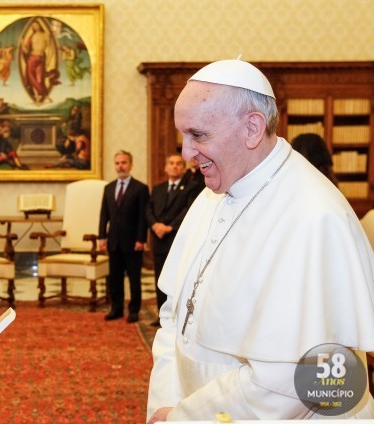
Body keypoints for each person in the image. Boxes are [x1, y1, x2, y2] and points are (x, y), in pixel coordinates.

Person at [147, 59, 374, 421]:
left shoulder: (316, 216)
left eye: (198, 135)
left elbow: (293, 384)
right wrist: (163, 402)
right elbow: (175, 313)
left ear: (252, 128)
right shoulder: (210, 196)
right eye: (182, 136)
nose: (186, 153)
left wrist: (184, 417)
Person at [145, 154, 200, 327]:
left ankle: (176, 316)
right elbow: (149, 210)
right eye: (171, 163)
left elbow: (188, 211)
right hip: (159, 240)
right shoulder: (158, 188)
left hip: (177, 240)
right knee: (160, 278)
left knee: (177, 279)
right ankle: (162, 316)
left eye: (178, 164)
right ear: (166, 167)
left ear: (183, 168)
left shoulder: (191, 188)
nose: (175, 166)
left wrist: (169, 227)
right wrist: (155, 225)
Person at [99, 150, 149, 323]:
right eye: (117, 163)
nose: (120, 166)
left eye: (124, 162)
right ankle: (116, 308)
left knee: (134, 278)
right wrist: (101, 237)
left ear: (130, 165)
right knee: (115, 278)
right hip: (113, 241)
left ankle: (134, 310)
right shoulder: (108, 188)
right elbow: (104, 215)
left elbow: (143, 217)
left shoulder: (141, 188)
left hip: (133, 242)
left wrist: (141, 239)